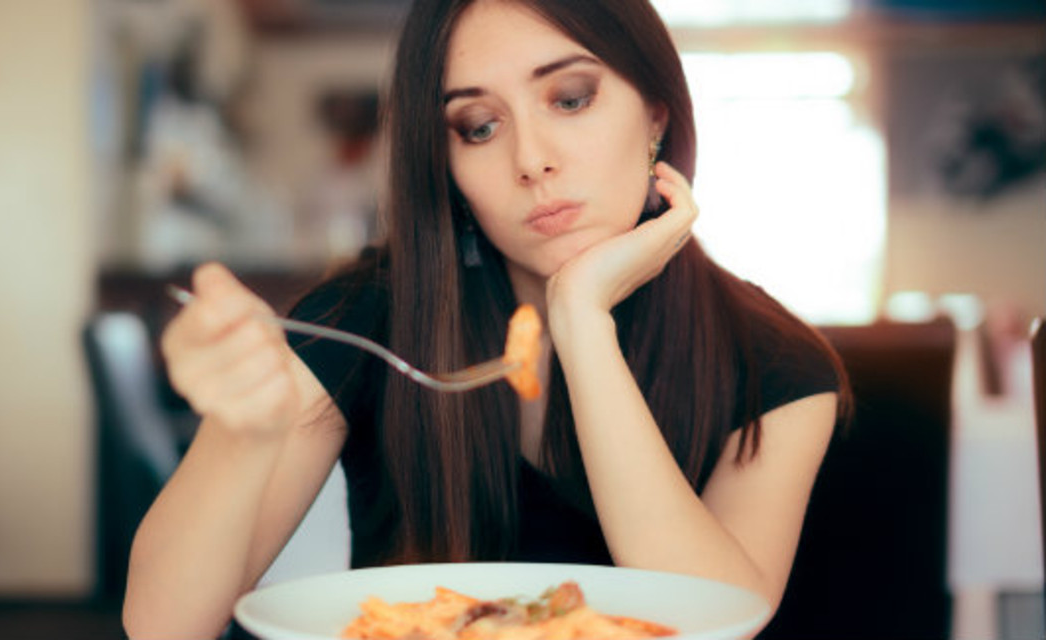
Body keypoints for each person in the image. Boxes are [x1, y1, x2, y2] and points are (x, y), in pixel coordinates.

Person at [122, 0, 852, 638]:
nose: (531, 160)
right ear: (445, 164)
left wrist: (581, 318)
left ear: (656, 113)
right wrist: (243, 434)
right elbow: (162, 625)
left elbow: (714, 617)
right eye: (477, 127)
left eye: (569, 99)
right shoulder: (367, 315)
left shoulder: (778, 365)